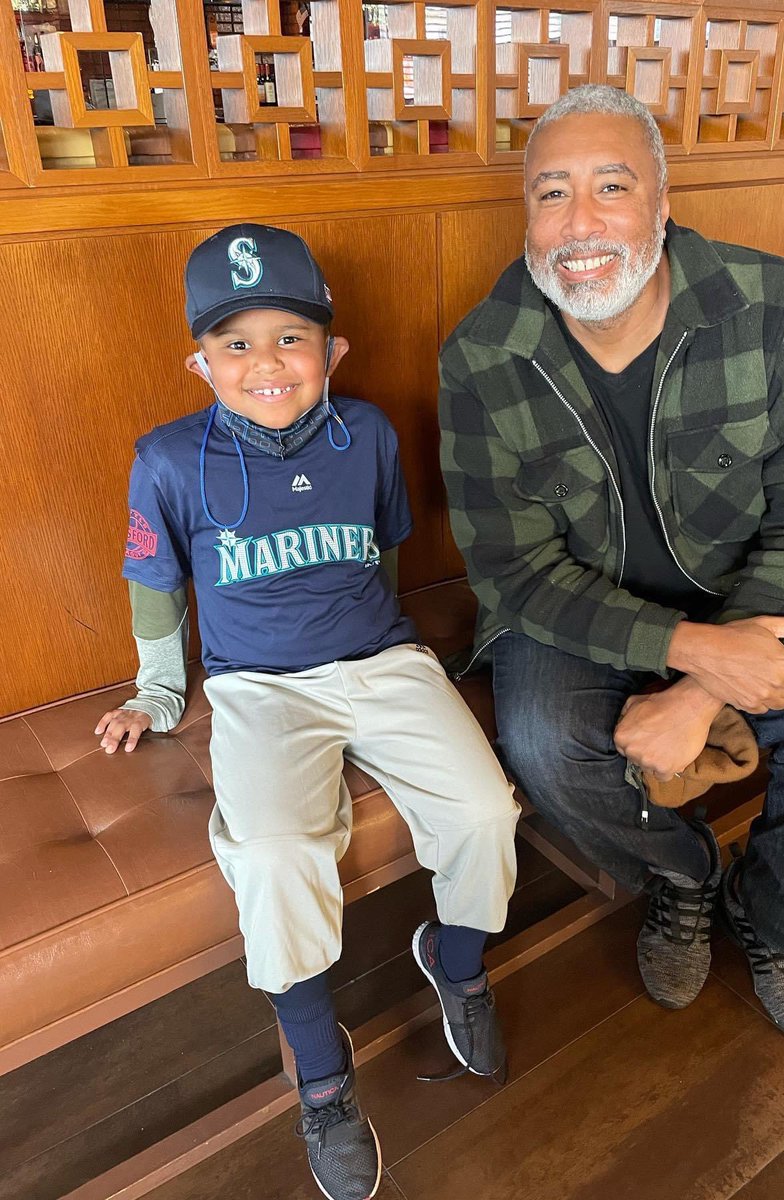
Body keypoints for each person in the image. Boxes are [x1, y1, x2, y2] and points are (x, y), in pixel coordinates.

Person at [438, 86, 784, 1047]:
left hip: (757, 597)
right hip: (583, 610)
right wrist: (692, 651)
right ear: (527, 214)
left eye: (611, 186)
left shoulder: (773, 307)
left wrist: (698, 688)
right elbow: (514, 574)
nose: (580, 223)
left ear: (662, 200)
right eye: (551, 193)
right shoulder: (484, 356)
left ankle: (772, 923)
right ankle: (682, 875)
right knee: (540, 740)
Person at [96, 224, 520, 1200]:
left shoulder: (366, 431)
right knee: (278, 853)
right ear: (201, 363)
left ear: (330, 353)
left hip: (380, 659)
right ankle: (321, 1079)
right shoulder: (166, 459)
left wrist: (398, 656)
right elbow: (156, 589)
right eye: (236, 344)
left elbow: (382, 554)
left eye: (289, 338)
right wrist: (160, 692)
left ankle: (455, 964)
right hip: (258, 686)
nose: (266, 363)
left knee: (486, 812)